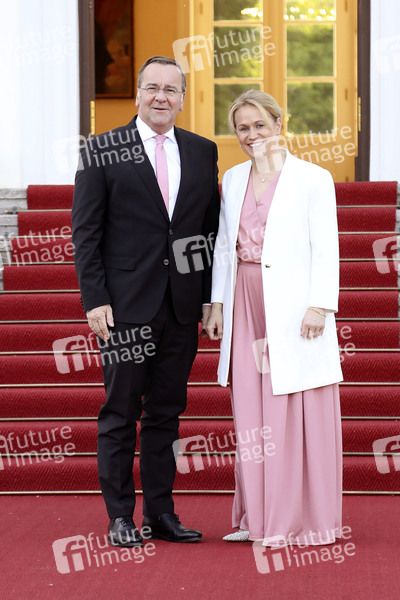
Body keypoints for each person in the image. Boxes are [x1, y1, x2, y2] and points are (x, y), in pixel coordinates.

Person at [72, 56, 220, 547]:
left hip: (180, 307)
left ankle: (160, 512)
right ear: (137, 94)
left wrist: (207, 298)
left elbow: (207, 233)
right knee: (120, 413)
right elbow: (86, 233)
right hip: (124, 307)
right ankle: (120, 516)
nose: (161, 97)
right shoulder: (102, 148)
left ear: (183, 99)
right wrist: (95, 298)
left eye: (171, 90)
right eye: (153, 87)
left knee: (166, 414)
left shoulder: (202, 151)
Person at [206, 90, 343, 547]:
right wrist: (217, 303)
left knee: (295, 408)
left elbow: (326, 245)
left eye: (259, 125)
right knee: (251, 408)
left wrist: (320, 305)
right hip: (244, 300)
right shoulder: (232, 179)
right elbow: (223, 246)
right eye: (242, 128)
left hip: (294, 305)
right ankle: (259, 519)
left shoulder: (313, 178)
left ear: (279, 124)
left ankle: (300, 521)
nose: (252, 135)